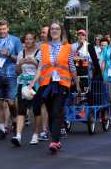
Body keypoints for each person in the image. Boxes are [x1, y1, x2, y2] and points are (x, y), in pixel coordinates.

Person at [30, 21, 80, 154]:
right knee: (44, 109)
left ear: (61, 31)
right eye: (52, 29)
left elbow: (72, 66)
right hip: (46, 83)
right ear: (50, 31)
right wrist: (32, 82)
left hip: (62, 84)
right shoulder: (43, 47)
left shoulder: (68, 47)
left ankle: (54, 141)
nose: (54, 31)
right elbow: (40, 67)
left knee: (56, 112)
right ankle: (56, 141)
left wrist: (78, 84)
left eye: (57, 29)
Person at [0, 20, 22, 140]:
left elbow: (20, 58)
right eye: (0, 29)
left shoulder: (15, 40)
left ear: (8, 29)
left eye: (4, 29)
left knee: (11, 102)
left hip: (11, 75)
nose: (2, 31)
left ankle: (14, 120)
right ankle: (2, 129)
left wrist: (9, 54)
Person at [11, 32, 41, 146]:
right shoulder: (21, 53)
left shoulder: (39, 53)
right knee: (21, 110)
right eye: (26, 39)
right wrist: (20, 64)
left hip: (35, 84)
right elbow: (17, 71)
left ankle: (35, 135)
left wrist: (34, 61)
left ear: (34, 40)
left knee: (36, 110)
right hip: (22, 83)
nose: (28, 41)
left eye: (30, 39)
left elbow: (42, 68)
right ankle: (18, 136)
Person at [37, 25, 50, 141]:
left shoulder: (59, 46)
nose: (42, 34)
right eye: (41, 32)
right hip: (43, 80)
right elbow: (39, 65)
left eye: (44, 32)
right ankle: (44, 130)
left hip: (56, 81)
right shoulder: (40, 46)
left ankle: (60, 125)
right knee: (43, 104)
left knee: (55, 106)